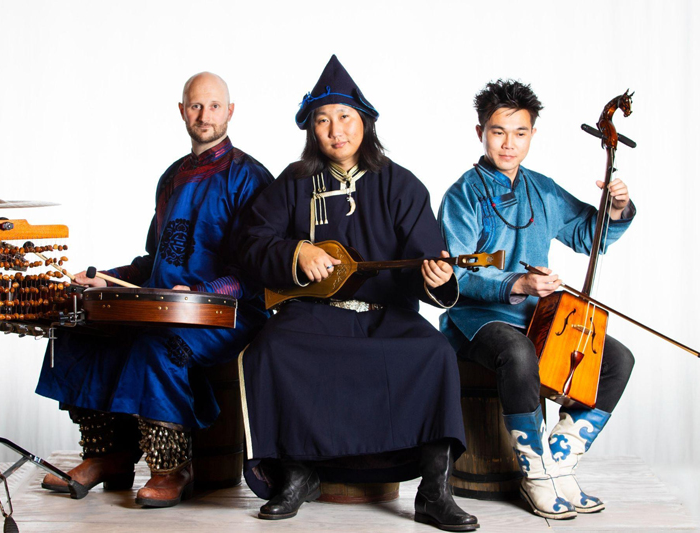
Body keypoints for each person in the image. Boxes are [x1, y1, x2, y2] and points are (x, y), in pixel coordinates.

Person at [237, 55, 478, 532]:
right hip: (311, 313)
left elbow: (431, 258)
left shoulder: (402, 185)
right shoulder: (294, 182)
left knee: (433, 352)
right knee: (269, 349)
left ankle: (434, 489)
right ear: (312, 130)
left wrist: (437, 278)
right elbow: (250, 242)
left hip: (385, 315)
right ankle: (298, 473)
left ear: (364, 123)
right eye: (323, 121)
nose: (335, 130)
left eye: (345, 117)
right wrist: (296, 253)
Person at [35, 72, 273, 507]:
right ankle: (109, 457)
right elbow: (152, 262)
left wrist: (200, 291)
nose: (204, 115)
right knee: (78, 330)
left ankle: (171, 468)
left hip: (228, 313)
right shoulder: (171, 177)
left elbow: (256, 271)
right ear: (182, 111)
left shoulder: (250, 177)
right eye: (195, 106)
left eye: (214, 106)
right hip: (163, 307)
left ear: (230, 111)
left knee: (157, 345)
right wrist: (104, 278)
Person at [438, 79, 636, 520]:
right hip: (475, 319)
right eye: (498, 132)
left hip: (536, 316)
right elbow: (460, 277)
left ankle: (559, 460)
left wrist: (617, 206)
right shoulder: (462, 195)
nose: (509, 144)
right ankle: (535, 473)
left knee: (617, 358)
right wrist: (518, 284)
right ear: (480, 133)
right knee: (519, 353)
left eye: (520, 133)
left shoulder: (542, 189)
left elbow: (589, 234)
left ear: (532, 135)